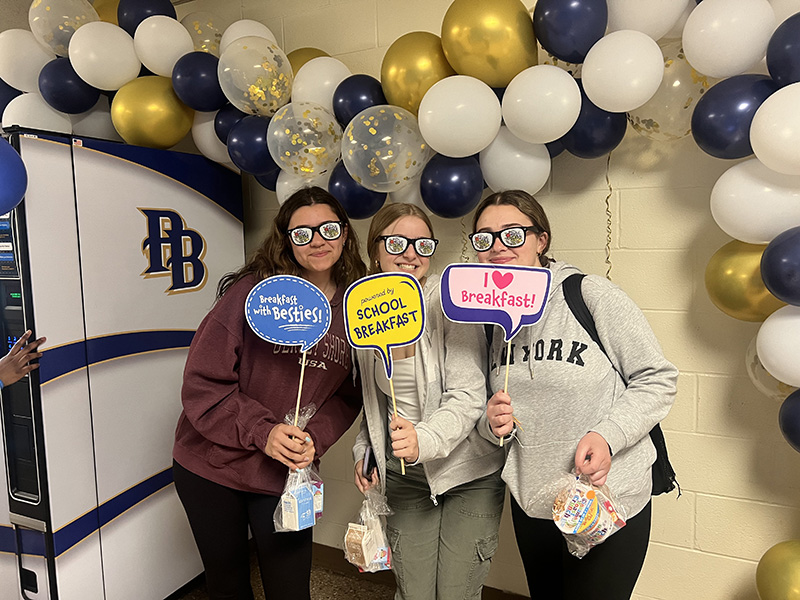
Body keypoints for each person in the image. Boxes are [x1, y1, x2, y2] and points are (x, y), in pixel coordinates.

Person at [471, 190, 678, 600]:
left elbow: (657, 378)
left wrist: (607, 436)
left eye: (513, 234)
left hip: (607, 497)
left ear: (541, 240)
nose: (498, 247)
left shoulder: (589, 295)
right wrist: (489, 421)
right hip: (536, 503)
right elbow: (487, 408)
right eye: (485, 238)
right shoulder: (488, 319)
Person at [172, 187, 365, 600]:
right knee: (227, 586)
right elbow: (202, 384)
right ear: (285, 239)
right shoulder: (252, 294)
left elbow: (351, 394)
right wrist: (264, 431)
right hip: (211, 464)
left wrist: (316, 438)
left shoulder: (356, 307)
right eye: (302, 233)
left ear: (345, 234)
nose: (317, 240)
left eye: (328, 229)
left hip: (286, 474)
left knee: (290, 589)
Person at [352, 202, 505, 600]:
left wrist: (424, 439)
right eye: (398, 242)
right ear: (376, 249)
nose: (411, 252)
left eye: (423, 244)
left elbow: (468, 396)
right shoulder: (363, 308)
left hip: (466, 472)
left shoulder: (447, 302)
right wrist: (365, 449)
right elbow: (377, 400)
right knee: (414, 592)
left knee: (456, 594)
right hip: (405, 476)